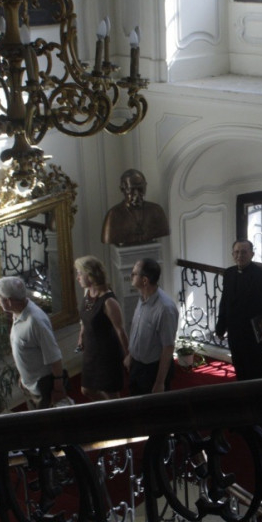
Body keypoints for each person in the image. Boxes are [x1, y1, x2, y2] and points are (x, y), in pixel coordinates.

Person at [0, 276, 67, 409]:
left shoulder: (35, 321)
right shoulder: (17, 313)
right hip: (30, 385)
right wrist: (23, 377)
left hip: (44, 389)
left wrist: (58, 388)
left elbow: (54, 356)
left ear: (9, 301)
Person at [215, 240, 262, 381]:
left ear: (252, 254)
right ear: (232, 254)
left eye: (244, 252)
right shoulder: (229, 273)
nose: (240, 255)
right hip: (235, 331)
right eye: (237, 252)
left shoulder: (261, 277)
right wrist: (221, 326)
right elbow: (225, 301)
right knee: (239, 367)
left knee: (255, 371)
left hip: (253, 334)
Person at [74, 255, 128, 401]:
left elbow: (120, 330)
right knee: (86, 390)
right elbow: (85, 318)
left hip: (107, 353)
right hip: (91, 351)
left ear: (90, 275)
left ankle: (117, 412)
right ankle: (108, 408)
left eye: (80, 273)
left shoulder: (109, 301)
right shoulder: (87, 293)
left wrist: (128, 355)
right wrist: (81, 335)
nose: (77, 277)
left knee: (111, 393)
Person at [126, 258, 179, 395]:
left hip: (152, 370)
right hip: (137, 365)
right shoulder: (142, 298)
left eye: (134, 274)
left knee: (152, 407)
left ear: (145, 280)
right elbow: (138, 330)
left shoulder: (165, 309)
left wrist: (159, 382)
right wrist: (131, 355)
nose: (131, 276)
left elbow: (168, 347)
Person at [101, 169, 170, 246]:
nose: (136, 194)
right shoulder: (113, 215)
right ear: (122, 189)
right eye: (132, 189)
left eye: (140, 189)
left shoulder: (156, 210)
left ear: (145, 187)